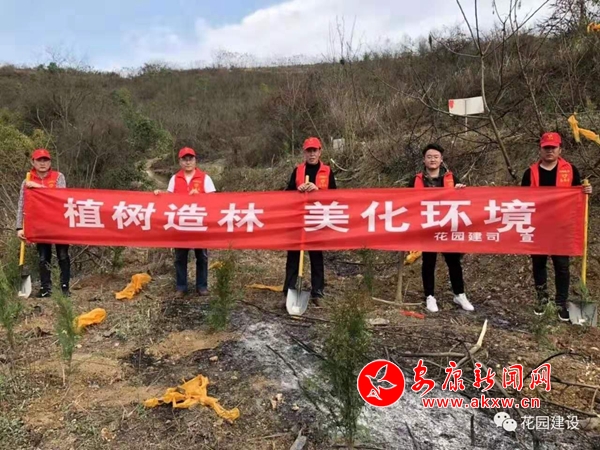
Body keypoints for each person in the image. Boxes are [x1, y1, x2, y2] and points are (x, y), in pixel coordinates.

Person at [522, 132, 592, 321]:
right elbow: (521, 198)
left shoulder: (571, 170)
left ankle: (561, 304)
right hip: (538, 226)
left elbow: (578, 195)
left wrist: (586, 191)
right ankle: (542, 300)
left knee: (562, 266)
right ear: (541, 149)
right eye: (546, 147)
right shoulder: (530, 172)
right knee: (539, 264)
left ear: (560, 149)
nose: (550, 151)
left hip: (562, 227)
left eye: (553, 147)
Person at [409, 143, 474, 313]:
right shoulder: (415, 180)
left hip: (447, 226)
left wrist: (461, 190)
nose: (432, 160)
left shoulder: (451, 178)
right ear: (424, 159)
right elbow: (405, 202)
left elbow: (463, 200)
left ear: (441, 159)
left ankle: (459, 294)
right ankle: (430, 296)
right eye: (429, 157)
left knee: (454, 261)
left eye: (436, 157)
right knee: (428, 262)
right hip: (427, 227)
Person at [154, 147, 217, 298]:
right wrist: (159, 195)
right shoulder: (175, 179)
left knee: (202, 257)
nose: (188, 162)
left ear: (195, 161)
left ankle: (202, 286)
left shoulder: (205, 178)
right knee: (180, 257)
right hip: (180, 224)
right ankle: (181, 287)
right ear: (180, 162)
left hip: (199, 223)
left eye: (190, 159)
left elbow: (214, 200)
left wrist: (200, 195)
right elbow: (169, 199)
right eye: (185, 159)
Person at [282, 137, 337, 308]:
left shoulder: (327, 171)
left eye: (315, 150)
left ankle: (317, 291)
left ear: (320, 152)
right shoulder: (298, 171)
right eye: (309, 151)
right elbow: (287, 194)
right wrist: (297, 190)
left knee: (316, 255)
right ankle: (289, 289)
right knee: (293, 256)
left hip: (317, 219)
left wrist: (318, 190)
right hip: (299, 219)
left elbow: (335, 196)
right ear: (304, 153)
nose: (312, 154)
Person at [16, 148, 71, 297]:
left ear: (50, 162)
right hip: (40, 225)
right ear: (32, 162)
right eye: (39, 160)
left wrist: (39, 188)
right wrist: (19, 227)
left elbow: (61, 197)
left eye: (45, 160)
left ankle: (65, 288)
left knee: (63, 255)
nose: (42, 163)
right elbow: (22, 204)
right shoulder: (27, 181)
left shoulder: (58, 177)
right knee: (43, 257)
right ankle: (45, 289)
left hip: (59, 223)